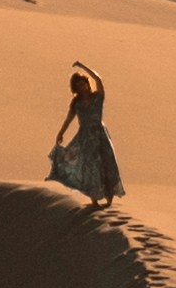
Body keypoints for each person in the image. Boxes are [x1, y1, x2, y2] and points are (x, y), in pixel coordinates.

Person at [49, 61, 123, 208]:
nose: (82, 86)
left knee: (107, 164)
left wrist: (82, 67)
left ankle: (109, 199)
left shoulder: (98, 97)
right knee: (91, 168)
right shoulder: (76, 103)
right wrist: (61, 132)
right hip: (85, 138)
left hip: (100, 135)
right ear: (75, 88)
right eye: (78, 85)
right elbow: (69, 119)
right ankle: (94, 200)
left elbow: (99, 80)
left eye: (83, 83)